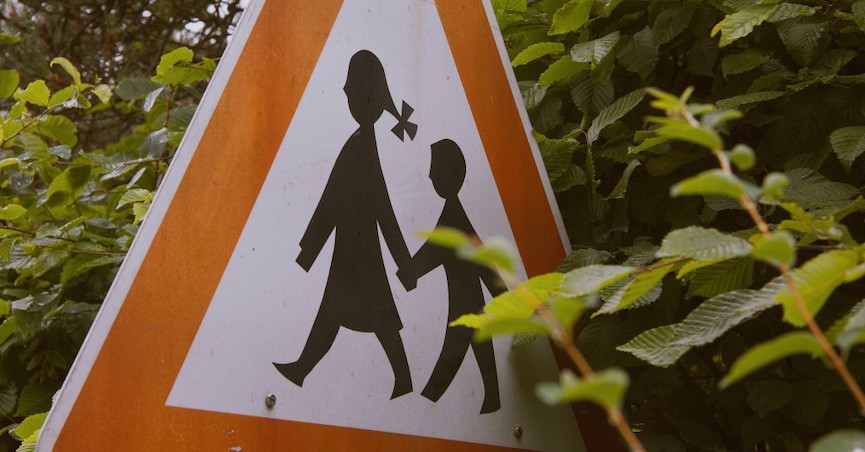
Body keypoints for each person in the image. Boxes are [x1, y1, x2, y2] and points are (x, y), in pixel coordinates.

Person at [274, 50, 417, 399]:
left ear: (362, 93)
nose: (342, 89)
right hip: (352, 247)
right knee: (341, 310)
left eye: (349, 85)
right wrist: (308, 249)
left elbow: (382, 209)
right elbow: (332, 200)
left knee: (371, 314)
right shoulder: (358, 143)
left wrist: (405, 263)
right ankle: (303, 369)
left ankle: (403, 380)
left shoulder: (361, 147)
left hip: (360, 249)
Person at [398, 139, 503, 414]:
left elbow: (435, 251)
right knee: (477, 346)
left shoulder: (453, 217)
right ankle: (491, 399)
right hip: (468, 301)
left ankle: (426, 407)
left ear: (447, 174)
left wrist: (408, 271)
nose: (430, 175)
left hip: (464, 303)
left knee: (455, 354)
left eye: (434, 169)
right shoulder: (455, 215)